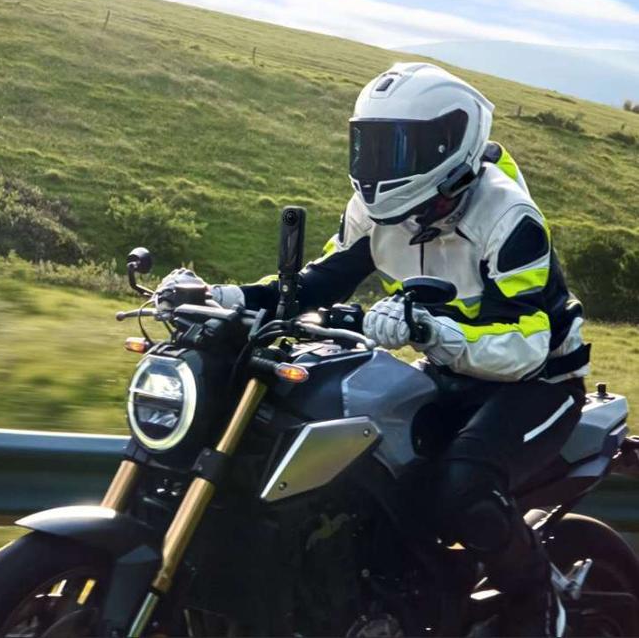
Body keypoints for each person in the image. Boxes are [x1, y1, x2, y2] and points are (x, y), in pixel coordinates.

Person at [163, 63, 590, 636]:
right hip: (448, 371)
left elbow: (525, 344)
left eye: (398, 149)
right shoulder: (377, 211)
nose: (378, 166)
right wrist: (223, 296)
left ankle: (539, 604)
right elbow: (314, 285)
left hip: (539, 384)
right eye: (371, 146)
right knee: (373, 471)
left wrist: (429, 330)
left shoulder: (508, 216)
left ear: (448, 144)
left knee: (461, 487)